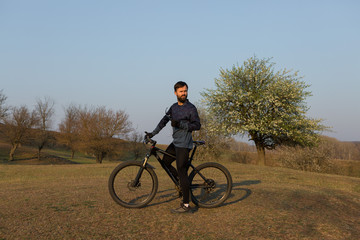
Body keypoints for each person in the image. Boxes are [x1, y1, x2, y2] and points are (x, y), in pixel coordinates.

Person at [146, 81, 201, 213]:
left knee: (182, 171)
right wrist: (152, 133)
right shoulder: (173, 107)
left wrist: (181, 124)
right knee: (165, 162)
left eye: (186, 91)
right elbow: (164, 121)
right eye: (181, 91)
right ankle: (181, 184)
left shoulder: (191, 108)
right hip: (176, 142)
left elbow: (197, 125)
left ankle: (186, 205)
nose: (184, 93)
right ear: (175, 93)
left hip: (185, 144)